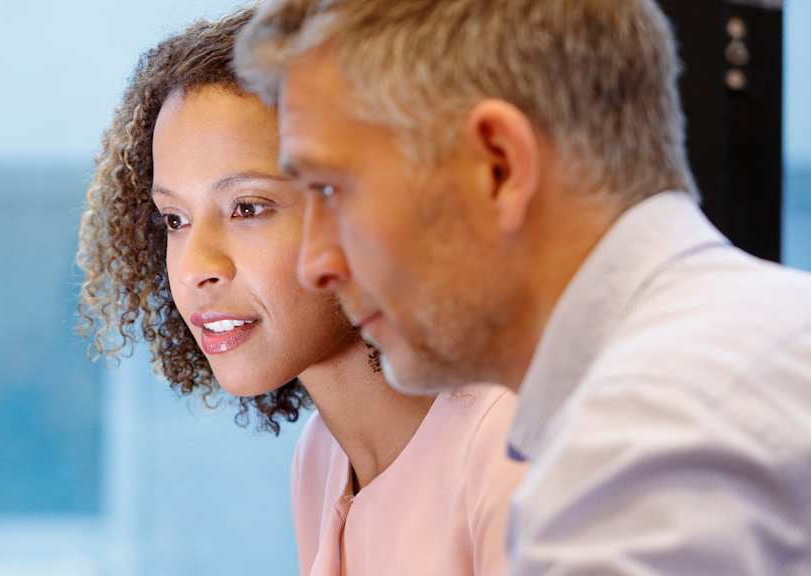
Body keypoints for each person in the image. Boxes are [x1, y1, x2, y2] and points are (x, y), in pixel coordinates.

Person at [235, 0, 811, 573]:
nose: (316, 264)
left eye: (334, 191)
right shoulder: (766, 334)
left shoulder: (641, 441)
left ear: (499, 165)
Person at [76, 9, 524, 575]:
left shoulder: (510, 440)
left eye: (248, 208)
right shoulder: (322, 459)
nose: (194, 268)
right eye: (174, 219)